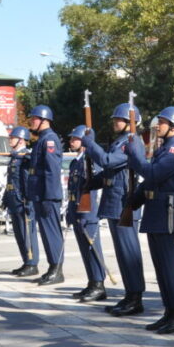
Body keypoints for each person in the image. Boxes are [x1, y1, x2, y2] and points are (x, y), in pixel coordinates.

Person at [126, 107, 174, 333]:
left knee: (170, 266)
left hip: (167, 212)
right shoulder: (164, 147)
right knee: (161, 266)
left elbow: (153, 174)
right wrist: (135, 199)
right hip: (156, 210)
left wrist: (135, 156)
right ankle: (169, 311)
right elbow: (150, 180)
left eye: (161, 122)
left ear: (173, 125)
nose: (157, 126)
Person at [81, 103, 147, 314]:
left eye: (119, 119)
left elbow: (108, 161)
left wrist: (91, 145)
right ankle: (129, 295)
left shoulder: (131, 141)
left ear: (131, 122)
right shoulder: (120, 141)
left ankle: (135, 298)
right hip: (114, 203)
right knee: (121, 253)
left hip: (123, 204)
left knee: (129, 254)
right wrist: (92, 182)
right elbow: (110, 173)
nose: (114, 122)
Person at [65, 126, 107, 302]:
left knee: (92, 248)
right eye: (72, 138)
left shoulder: (91, 161)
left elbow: (93, 188)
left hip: (88, 212)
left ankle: (99, 284)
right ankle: (91, 282)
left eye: (76, 138)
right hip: (77, 209)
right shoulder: (76, 162)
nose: (72, 141)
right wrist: (70, 210)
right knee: (84, 249)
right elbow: (72, 188)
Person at [26, 105, 65, 285]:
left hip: (47, 195)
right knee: (46, 233)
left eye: (34, 118)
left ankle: (57, 270)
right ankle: (52, 267)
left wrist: (49, 197)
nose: (31, 121)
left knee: (52, 233)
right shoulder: (42, 139)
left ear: (44, 120)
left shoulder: (49, 140)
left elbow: (52, 171)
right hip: (40, 194)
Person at [5, 127, 39, 276]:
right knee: (19, 233)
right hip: (14, 199)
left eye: (12, 137)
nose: (9, 140)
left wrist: (27, 200)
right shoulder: (15, 156)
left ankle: (32, 263)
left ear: (21, 139)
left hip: (22, 200)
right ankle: (26, 261)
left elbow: (27, 180)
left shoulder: (25, 157)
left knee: (27, 234)